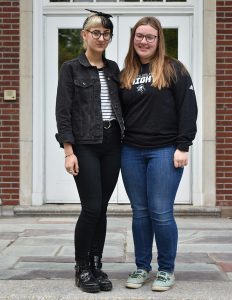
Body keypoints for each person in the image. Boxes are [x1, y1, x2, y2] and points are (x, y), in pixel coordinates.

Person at [120, 16, 198, 292]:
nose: (144, 41)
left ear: (158, 40)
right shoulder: (125, 72)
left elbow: (188, 109)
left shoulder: (173, 69)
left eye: (150, 37)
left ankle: (166, 269)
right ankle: (142, 266)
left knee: (161, 212)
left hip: (165, 150)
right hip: (130, 151)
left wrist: (183, 145)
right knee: (140, 212)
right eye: (139, 36)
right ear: (133, 39)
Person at [55, 9, 124, 293]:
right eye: (96, 32)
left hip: (112, 143)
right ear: (85, 35)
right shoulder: (70, 68)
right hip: (85, 144)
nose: (101, 37)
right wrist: (68, 151)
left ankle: (96, 263)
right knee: (91, 207)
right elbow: (63, 112)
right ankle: (82, 266)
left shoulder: (113, 69)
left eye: (106, 33)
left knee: (103, 208)